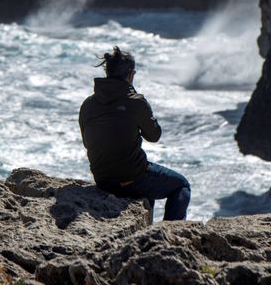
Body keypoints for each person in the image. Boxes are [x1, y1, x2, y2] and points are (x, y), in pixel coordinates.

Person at [78, 46, 190, 221]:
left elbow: (87, 141)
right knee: (181, 186)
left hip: (102, 178)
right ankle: (170, 234)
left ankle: (146, 229)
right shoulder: (135, 102)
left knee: (148, 194)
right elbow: (154, 136)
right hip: (131, 177)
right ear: (130, 75)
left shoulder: (88, 104)